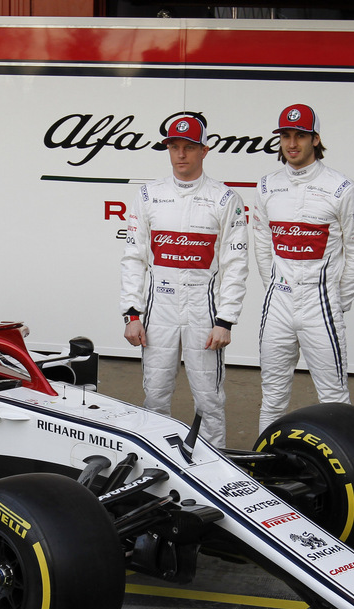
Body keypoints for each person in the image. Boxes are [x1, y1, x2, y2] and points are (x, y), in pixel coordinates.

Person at [119, 113, 248, 447]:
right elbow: (133, 258)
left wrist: (226, 321)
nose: (180, 155)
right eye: (174, 147)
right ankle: (158, 466)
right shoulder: (149, 196)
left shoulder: (225, 199)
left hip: (203, 312)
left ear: (204, 150)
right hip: (158, 308)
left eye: (189, 147)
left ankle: (215, 470)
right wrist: (132, 315)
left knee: (209, 399)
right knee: (156, 395)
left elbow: (235, 265)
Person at [252, 103, 354, 433]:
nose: (292, 144)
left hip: (321, 305)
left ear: (316, 139)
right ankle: (265, 472)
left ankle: (345, 473)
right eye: (286, 136)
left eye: (301, 136)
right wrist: (275, 287)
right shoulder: (265, 187)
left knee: (333, 398)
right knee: (272, 397)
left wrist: (337, 299)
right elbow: (263, 245)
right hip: (278, 305)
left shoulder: (342, 188)